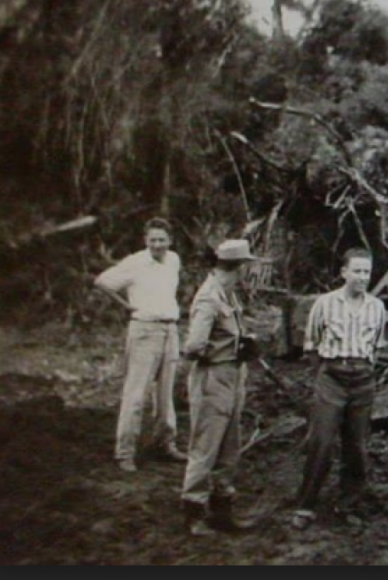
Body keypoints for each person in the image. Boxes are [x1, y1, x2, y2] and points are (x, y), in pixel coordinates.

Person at [290, 248, 387, 530]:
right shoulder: (325, 303)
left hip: (363, 379)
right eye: (356, 271)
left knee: (357, 445)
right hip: (331, 377)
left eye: (366, 272)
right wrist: (326, 374)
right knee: (322, 441)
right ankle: (305, 505)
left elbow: (377, 349)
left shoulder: (377, 307)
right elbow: (312, 345)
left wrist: (361, 372)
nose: (362, 277)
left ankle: (349, 503)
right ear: (344, 272)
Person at [180, 239, 262, 536]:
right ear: (236, 267)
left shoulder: (227, 295)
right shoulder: (209, 297)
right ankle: (194, 513)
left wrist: (242, 345)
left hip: (231, 375)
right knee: (205, 446)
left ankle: (222, 510)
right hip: (213, 376)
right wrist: (218, 352)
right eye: (244, 266)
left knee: (229, 447)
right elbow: (193, 346)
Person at [94, 217, 186, 472]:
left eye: (162, 240)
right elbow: (102, 281)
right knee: (136, 394)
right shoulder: (135, 262)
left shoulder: (174, 260)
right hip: (144, 330)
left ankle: (165, 444)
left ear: (170, 240)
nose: (157, 244)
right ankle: (125, 452)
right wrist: (126, 306)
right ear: (146, 241)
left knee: (165, 394)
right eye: (153, 240)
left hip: (170, 330)